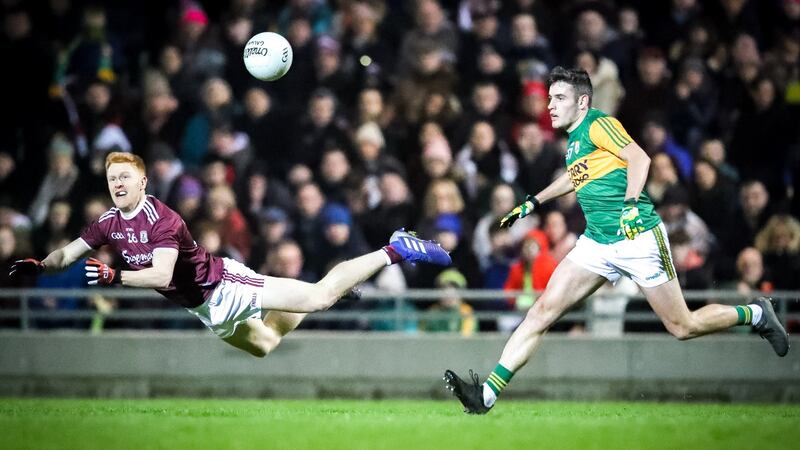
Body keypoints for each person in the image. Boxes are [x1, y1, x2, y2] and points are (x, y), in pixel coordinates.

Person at [443, 67, 790, 415]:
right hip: (597, 242)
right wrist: (533, 202)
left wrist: (628, 206)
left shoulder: (598, 123)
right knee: (541, 311)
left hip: (637, 236)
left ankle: (756, 312)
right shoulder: (575, 139)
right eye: (549, 98)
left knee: (683, 326)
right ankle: (486, 395)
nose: (550, 105)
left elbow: (640, 157)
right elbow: (575, 176)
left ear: (582, 102)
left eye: (559, 98)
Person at [8, 152, 451, 357]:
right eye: (112, 179)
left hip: (223, 286)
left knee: (318, 296)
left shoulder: (164, 220)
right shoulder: (108, 221)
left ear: (143, 183)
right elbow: (69, 253)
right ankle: (340, 289)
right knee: (265, 343)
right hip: (203, 307)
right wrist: (41, 265)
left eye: (125, 177)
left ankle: (396, 247)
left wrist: (113, 278)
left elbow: (161, 274)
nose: (118, 185)